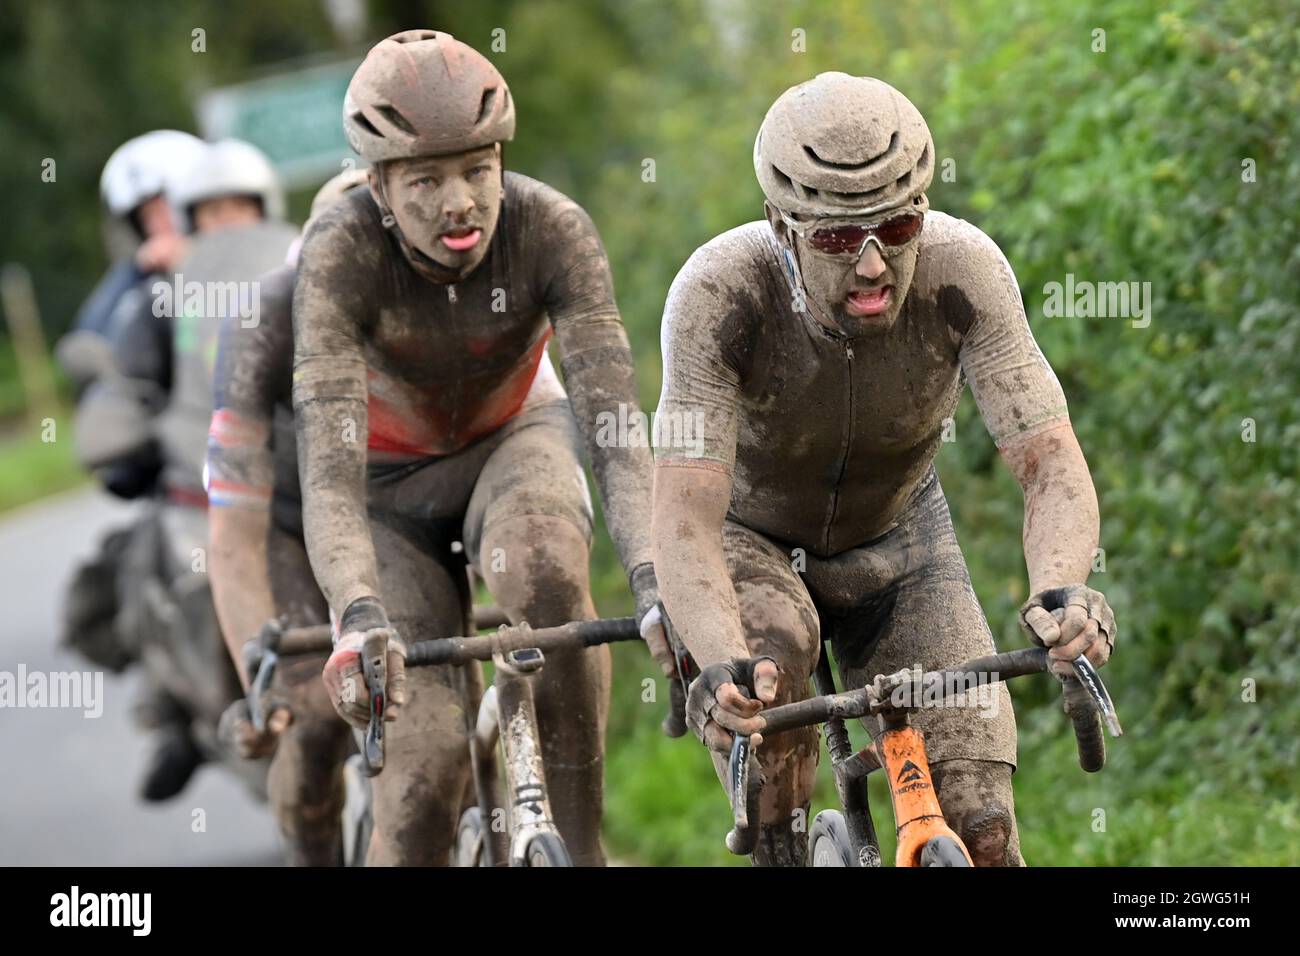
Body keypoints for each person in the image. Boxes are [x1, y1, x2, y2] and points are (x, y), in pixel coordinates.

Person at [650, 73, 1117, 866]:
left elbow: (1049, 463)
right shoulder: (718, 295)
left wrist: (1062, 590)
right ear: (781, 225)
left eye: (897, 227)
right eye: (837, 238)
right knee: (777, 788)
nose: (873, 265)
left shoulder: (963, 271)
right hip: (751, 543)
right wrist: (721, 654)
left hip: (899, 542)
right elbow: (685, 517)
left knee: (983, 825)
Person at [292, 30, 658, 865]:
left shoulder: (552, 228)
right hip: (387, 491)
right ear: (378, 187)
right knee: (422, 788)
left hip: (511, 438)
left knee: (549, 573)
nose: (459, 202)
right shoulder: (340, 253)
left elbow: (613, 428)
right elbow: (331, 476)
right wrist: (356, 615)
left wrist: (650, 579)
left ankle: (582, 845)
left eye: (477, 170)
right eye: (426, 180)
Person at [89, 138, 299, 801]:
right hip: (199, 478)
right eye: (206, 214)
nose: (224, 223)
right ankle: (176, 713)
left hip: (302, 466)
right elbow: (120, 375)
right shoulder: (144, 296)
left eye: (237, 208)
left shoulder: (310, 259)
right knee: (121, 585)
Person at [207, 170, 368, 865]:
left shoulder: (442, 294)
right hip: (288, 528)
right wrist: (262, 681)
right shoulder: (264, 320)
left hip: (398, 519)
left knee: (438, 705)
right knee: (313, 724)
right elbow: (234, 540)